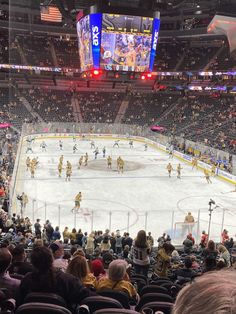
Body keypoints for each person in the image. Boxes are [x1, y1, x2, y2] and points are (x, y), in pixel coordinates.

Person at [17, 246, 93, 311]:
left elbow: (19, 302)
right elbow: (89, 298)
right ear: (51, 259)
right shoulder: (68, 281)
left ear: (32, 263)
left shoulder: (27, 279)